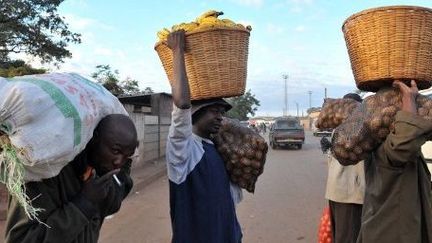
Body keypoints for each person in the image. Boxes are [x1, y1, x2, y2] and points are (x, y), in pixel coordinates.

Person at [4, 114, 138, 243]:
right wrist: (83, 204)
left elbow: (112, 205)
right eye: (116, 151)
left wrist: (123, 170)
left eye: (127, 156)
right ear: (94, 138)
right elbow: (22, 239)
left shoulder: (98, 171)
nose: (119, 162)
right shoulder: (43, 173)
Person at [165, 30, 243, 243]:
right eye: (214, 111)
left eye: (222, 112)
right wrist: (178, 50)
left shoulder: (214, 147)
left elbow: (228, 201)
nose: (220, 117)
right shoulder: (183, 149)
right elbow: (181, 104)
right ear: (196, 113)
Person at [352, 80, 432, 242]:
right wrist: (409, 100)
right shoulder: (385, 147)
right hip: (390, 234)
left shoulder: (384, 141)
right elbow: (401, 147)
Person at [320, 93, 365, 243]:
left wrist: (329, 151)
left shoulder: (341, 128)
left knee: (342, 235)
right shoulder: (358, 129)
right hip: (348, 194)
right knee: (347, 236)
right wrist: (328, 151)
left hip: (338, 192)